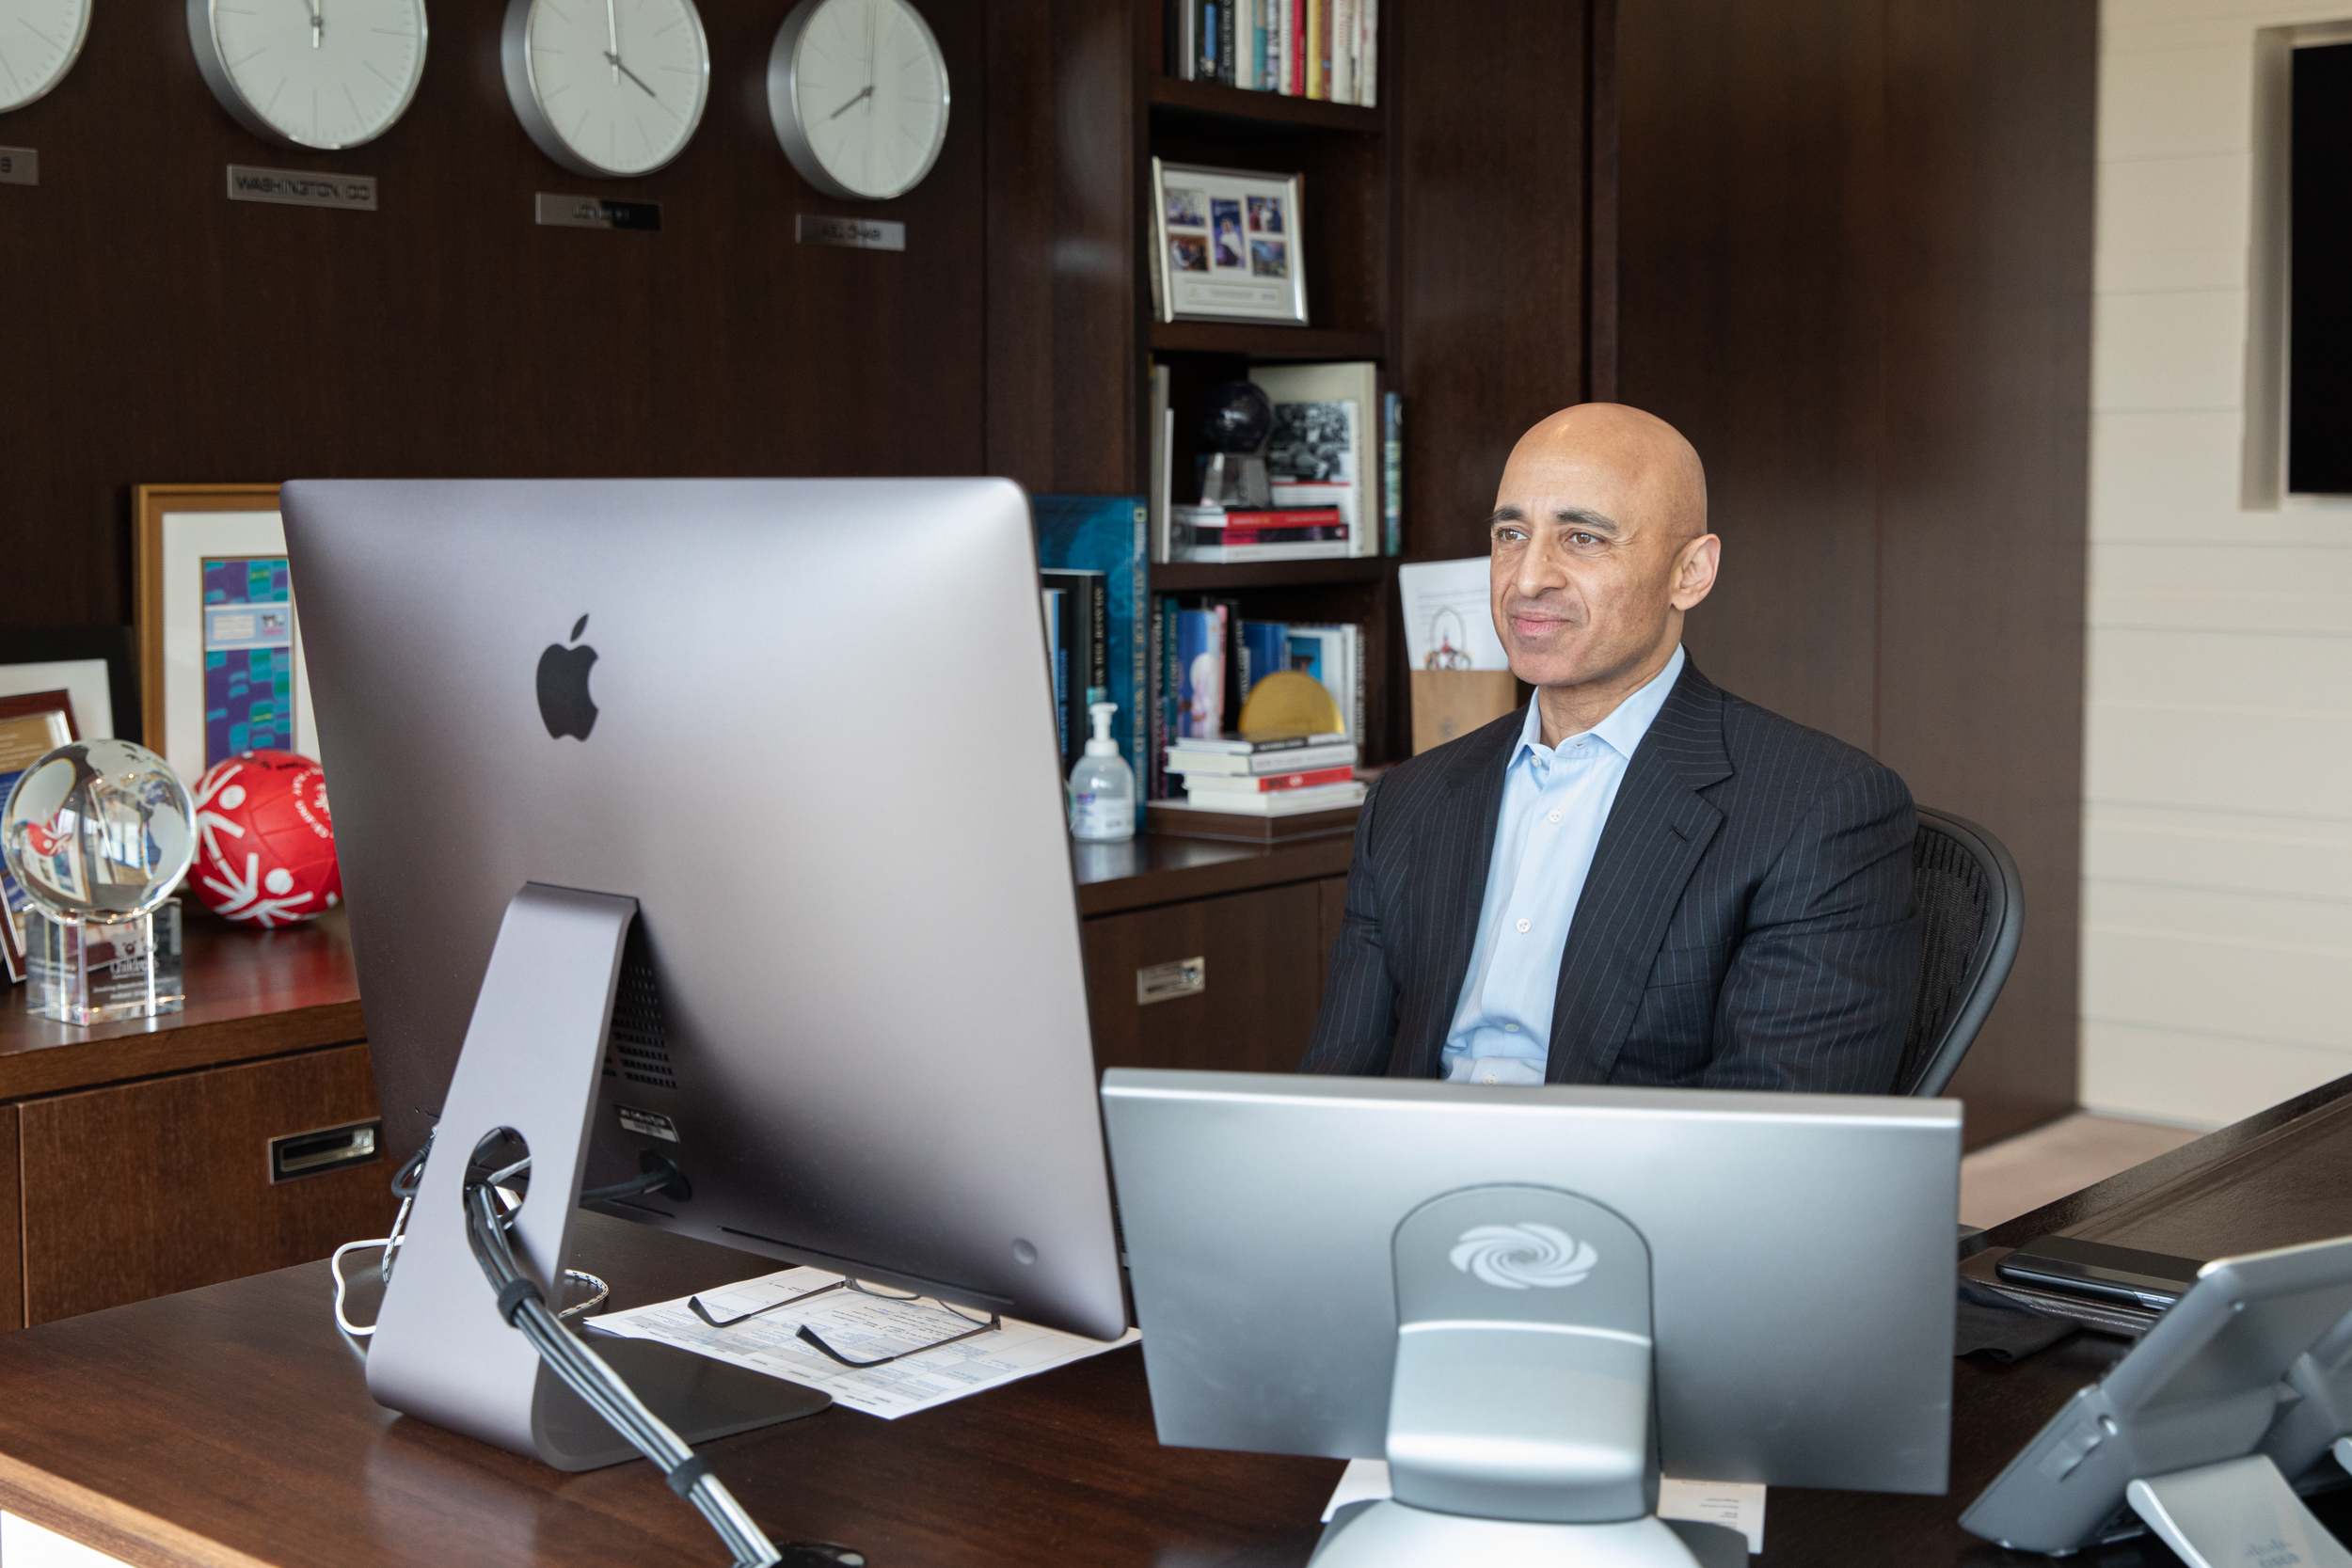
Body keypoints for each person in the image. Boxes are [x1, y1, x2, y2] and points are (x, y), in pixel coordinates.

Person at [1303, 404, 1920, 1091]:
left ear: (1691, 572)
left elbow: (1772, 1138)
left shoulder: (1818, 809)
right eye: (1511, 532)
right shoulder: (1407, 800)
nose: (1528, 577)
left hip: (1627, 1192)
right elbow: (1339, 1085)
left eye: (1583, 538)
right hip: (1412, 1181)